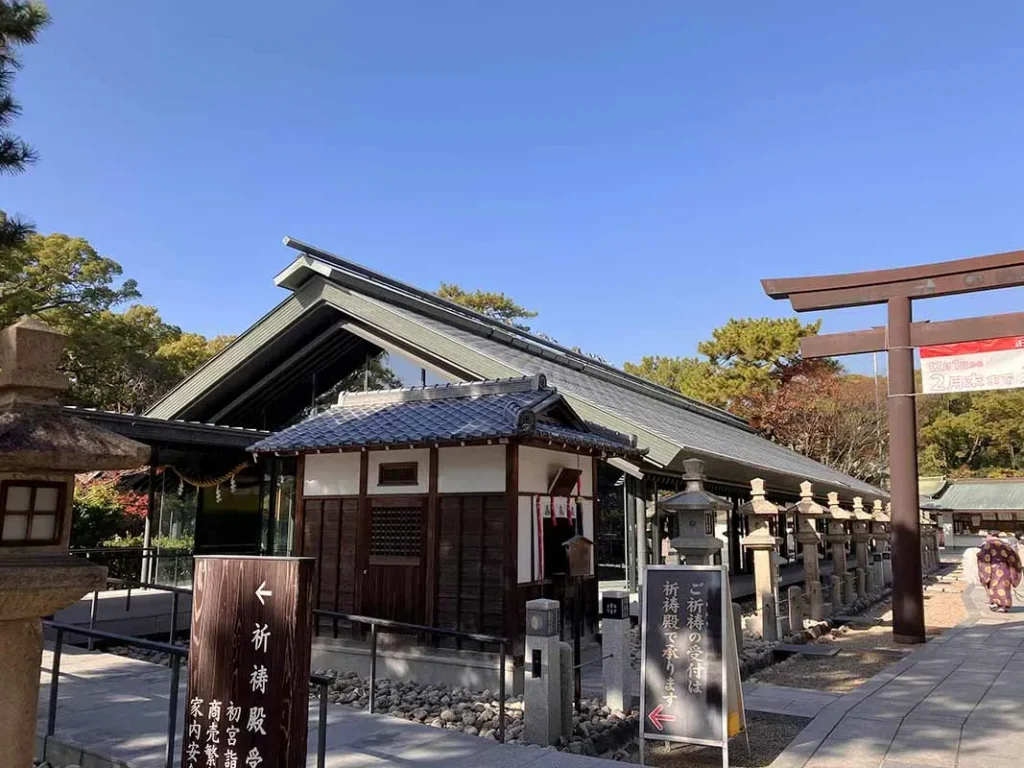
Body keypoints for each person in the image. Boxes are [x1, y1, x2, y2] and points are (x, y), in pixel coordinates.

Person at [978, 532, 1022, 612]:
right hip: (1005, 569)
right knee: (1004, 587)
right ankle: (1004, 606)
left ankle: (995, 603)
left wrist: (984, 573)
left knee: (993, 587)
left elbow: (983, 558)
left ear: (990, 535)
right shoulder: (1006, 545)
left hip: (992, 569)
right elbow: (1014, 557)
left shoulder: (987, 545)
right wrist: (1013, 571)